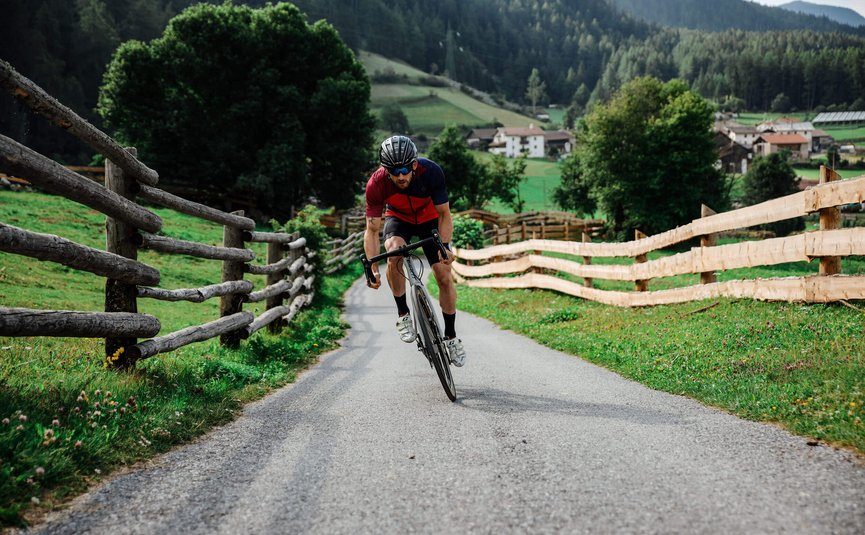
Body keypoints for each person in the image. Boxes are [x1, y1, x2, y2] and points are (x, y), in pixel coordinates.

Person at [363, 135, 467, 367]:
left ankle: (450, 337)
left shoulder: (431, 172)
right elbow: (371, 230)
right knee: (393, 252)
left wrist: (445, 246)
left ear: (414, 164)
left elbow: (444, 214)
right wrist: (371, 267)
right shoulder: (377, 183)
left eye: (404, 169)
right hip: (399, 219)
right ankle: (403, 315)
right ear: (385, 169)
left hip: (430, 220)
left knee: (443, 276)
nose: (400, 175)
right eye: (393, 170)